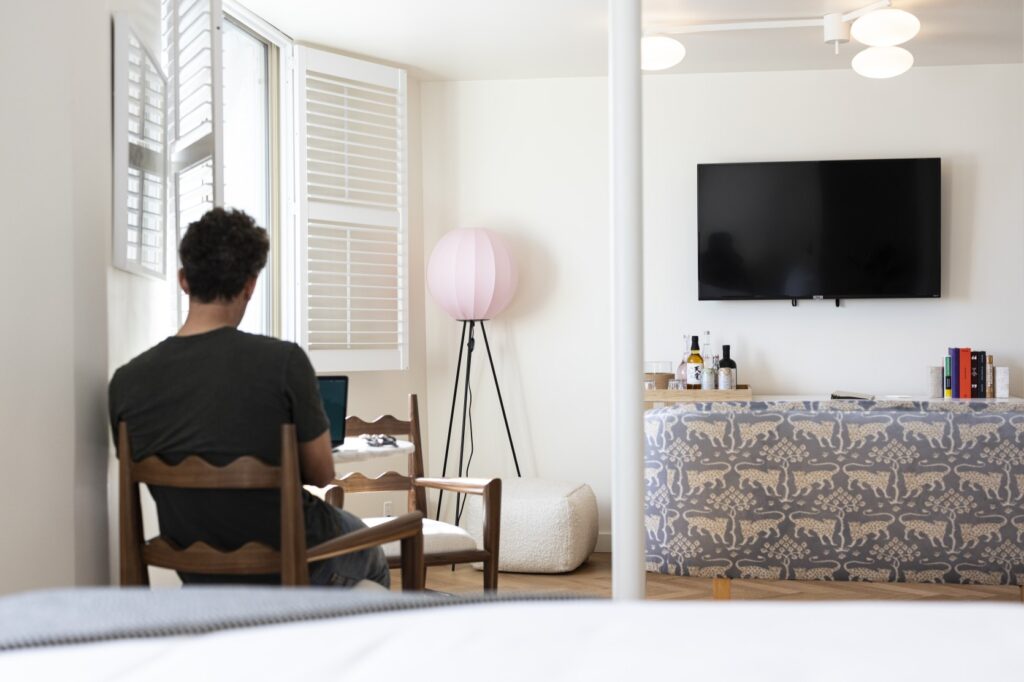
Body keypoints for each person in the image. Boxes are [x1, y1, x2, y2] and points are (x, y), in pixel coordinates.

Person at [109, 208, 389, 588]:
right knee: (372, 551)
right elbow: (323, 474)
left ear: (183, 280)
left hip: (197, 574)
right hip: (294, 565)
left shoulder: (126, 383)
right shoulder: (284, 362)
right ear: (250, 284)